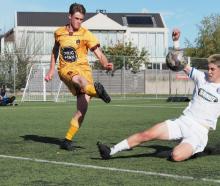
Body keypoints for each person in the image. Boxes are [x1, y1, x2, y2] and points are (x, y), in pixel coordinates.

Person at [97, 29, 220, 162]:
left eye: (212, 69)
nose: (209, 71)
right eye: (208, 68)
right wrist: (176, 42)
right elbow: (181, 63)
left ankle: (193, 149)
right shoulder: (201, 77)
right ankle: (111, 151)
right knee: (147, 134)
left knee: (176, 156)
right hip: (183, 121)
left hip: (199, 132)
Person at [45, 3, 113, 151]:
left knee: (82, 111)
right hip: (67, 70)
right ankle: (97, 92)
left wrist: (106, 63)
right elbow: (55, 50)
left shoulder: (86, 34)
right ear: (69, 16)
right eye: (76, 18)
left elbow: (99, 53)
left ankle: (67, 140)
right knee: (80, 81)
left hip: (84, 69)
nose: (79, 22)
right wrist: (51, 70)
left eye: (81, 19)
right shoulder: (59, 33)